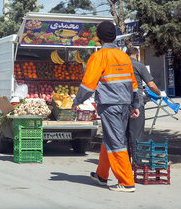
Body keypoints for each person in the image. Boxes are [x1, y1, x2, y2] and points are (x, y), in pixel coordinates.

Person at [71, 21, 140, 192]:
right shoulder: (124, 56)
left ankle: (126, 181)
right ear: (114, 37)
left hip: (110, 106)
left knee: (116, 141)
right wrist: (135, 104)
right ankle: (101, 175)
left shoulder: (99, 56)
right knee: (109, 138)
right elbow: (133, 83)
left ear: (98, 37)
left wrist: (77, 102)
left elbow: (88, 85)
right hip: (124, 105)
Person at [125, 47, 167, 162]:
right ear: (137, 56)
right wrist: (160, 93)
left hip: (122, 103)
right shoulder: (139, 66)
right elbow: (151, 85)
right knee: (136, 134)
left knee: (125, 135)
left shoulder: (121, 67)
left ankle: (125, 164)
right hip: (136, 104)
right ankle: (137, 163)